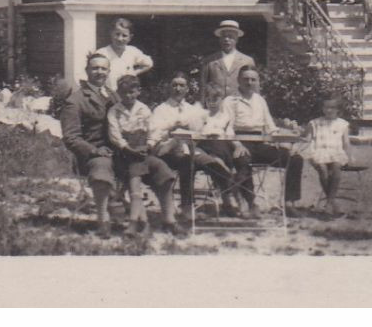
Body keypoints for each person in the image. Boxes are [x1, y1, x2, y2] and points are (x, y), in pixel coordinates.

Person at [217, 67, 304, 213]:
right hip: (238, 141)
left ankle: (289, 203)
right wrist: (237, 144)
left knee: (295, 159)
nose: (249, 82)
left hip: (259, 143)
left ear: (257, 82)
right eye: (246, 79)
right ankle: (250, 203)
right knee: (243, 161)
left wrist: (285, 144)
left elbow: (270, 126)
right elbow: (227, 127)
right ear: (238, 80)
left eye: (253, 79)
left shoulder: (260, 100)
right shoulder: (230, 101)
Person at [149, 73, 237, 216]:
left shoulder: (193, 109)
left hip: (191, 148)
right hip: (168, 151)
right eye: (174, 85)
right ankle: (187, 206)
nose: (178, 88)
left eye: (181, 85)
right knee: (186, 162)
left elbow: (200, 131)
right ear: (169, 87)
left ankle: (230, 196)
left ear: (187, 89)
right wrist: (171, 127)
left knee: (214, 165)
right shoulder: (160, 110)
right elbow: (154, 135)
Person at [106, 74, 180, 235]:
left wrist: (149, 144)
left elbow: (154, 130)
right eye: (124, 93)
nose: (128, 96)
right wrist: (128, 149)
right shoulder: (114, 111)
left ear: (138, 91)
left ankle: (169, 219)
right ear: (118, 92)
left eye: (132, 92)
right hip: (124, 155)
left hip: (142, 152)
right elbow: (115, 135)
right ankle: (136, 222)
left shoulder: (144, 109)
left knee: (164, 172)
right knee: (135, 173)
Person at [58, 51, 121, 236]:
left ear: (109, 71)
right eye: (95, 68)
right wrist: (94, 150)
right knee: (102, 167)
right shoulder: (75, 101)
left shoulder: (114, 96)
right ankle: (103, 220)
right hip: (91, 156)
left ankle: (164, 219)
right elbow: (71, 137)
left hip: (119, 150)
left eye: (103, 68)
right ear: (87, 71)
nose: (99, 72)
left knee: (156, 165)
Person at [297, 96, 355, 216]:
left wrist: (350, 156)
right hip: (319, 151)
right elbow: (305, 137)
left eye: (332, 107)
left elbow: (346, 143)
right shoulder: (315, 123)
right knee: (322, 170)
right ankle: (332, 202)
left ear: (338, 109)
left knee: (336, 168)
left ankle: (329, 203)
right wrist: (298, 132)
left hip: (336, 152)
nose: (329, 110)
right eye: (326, 107)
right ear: (322, 108)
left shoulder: (342, 124)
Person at [199, 19, 258, 102]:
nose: (226, 39)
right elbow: (203, 88)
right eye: (224, 36)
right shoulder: (209, 61)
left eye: (230, 37)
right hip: (216, 108)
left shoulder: (247, 61)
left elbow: (254, 88)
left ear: (237, 39)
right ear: (219, 39)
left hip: (239, 107)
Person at [95, 17, 153, 87]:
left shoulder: (132, 51)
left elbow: (148, 63)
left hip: (125, 93)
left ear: (130, 37)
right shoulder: (102, 53)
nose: (120, 39)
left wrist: (134, 73)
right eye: (117, 34)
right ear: (111, 33)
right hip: (107, 93)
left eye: (124, 35)